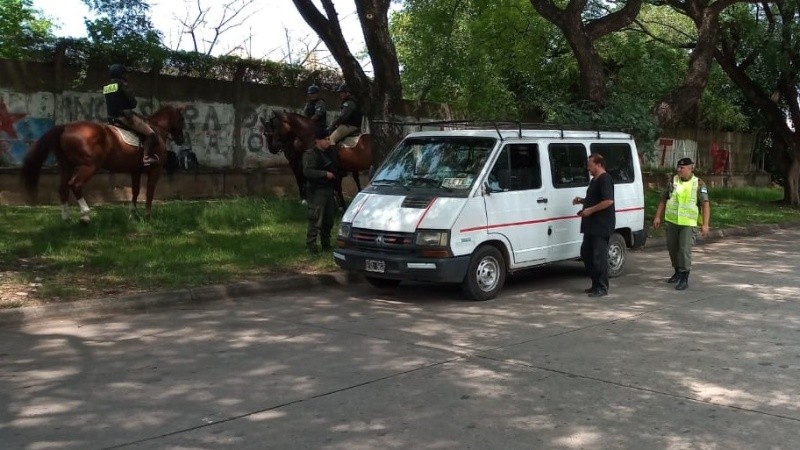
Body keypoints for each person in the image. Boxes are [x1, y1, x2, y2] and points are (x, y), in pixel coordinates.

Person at [652, 157, 711, 290]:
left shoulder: (699, 184)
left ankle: (684, 277)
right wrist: (657, 217)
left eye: (682, 168)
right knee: (673, 249)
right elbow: (663, 199)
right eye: (678, 167)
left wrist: (705, 224)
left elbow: (705, 204)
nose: (679, 170)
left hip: (688, 223)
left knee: (684, 250)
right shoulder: (673, 181)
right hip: (672, 221)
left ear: (690, 168)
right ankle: (677, 271)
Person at [572, 153, 615, 298]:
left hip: (601, 225)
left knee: (599, 257)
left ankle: (602, 287)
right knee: (586, 253)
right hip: (590, 225)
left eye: (590, 165)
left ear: (599, 164)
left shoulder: (605, 179)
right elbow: (593, 199)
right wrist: (582, 201)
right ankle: (595, 283)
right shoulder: (594, 180)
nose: (588, 168)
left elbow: (608, 201)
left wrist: (590, 210)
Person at [103, 64, 159, 166]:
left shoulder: (107, 86)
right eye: (125, 74)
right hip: (124, 117)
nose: (127, 76)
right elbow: (133, 103)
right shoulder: (122, 85)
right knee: (151, 134)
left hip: (111, 117)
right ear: (121, 74)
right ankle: (146, 158)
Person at [302, 128, 338, 256]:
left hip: (329, 190)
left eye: (329, 139)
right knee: (315, 219)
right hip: (317, 190)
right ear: (317, 140)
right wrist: (324, 174)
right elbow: (307, 171)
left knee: (329, 220)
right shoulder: (311, 154)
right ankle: (311, 246)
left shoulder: (329, 153)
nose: (328, 141)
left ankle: (326, 244)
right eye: (325, 139)